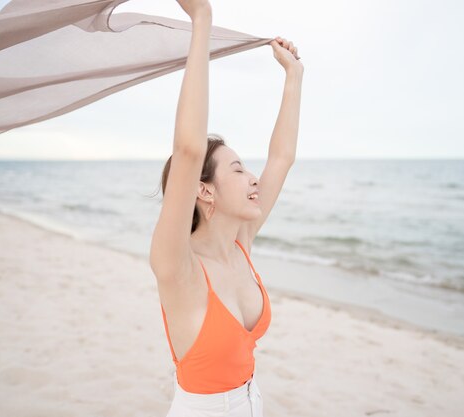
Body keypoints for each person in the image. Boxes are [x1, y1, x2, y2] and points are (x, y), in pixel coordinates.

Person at [150, 0, 303, 415]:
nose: (254, 179)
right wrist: (202, 19)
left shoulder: (241, 243)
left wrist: (294, 76)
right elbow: (188, 149)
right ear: (206, 191)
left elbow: (281, 158)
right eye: (237, 170)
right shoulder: (176, 264)